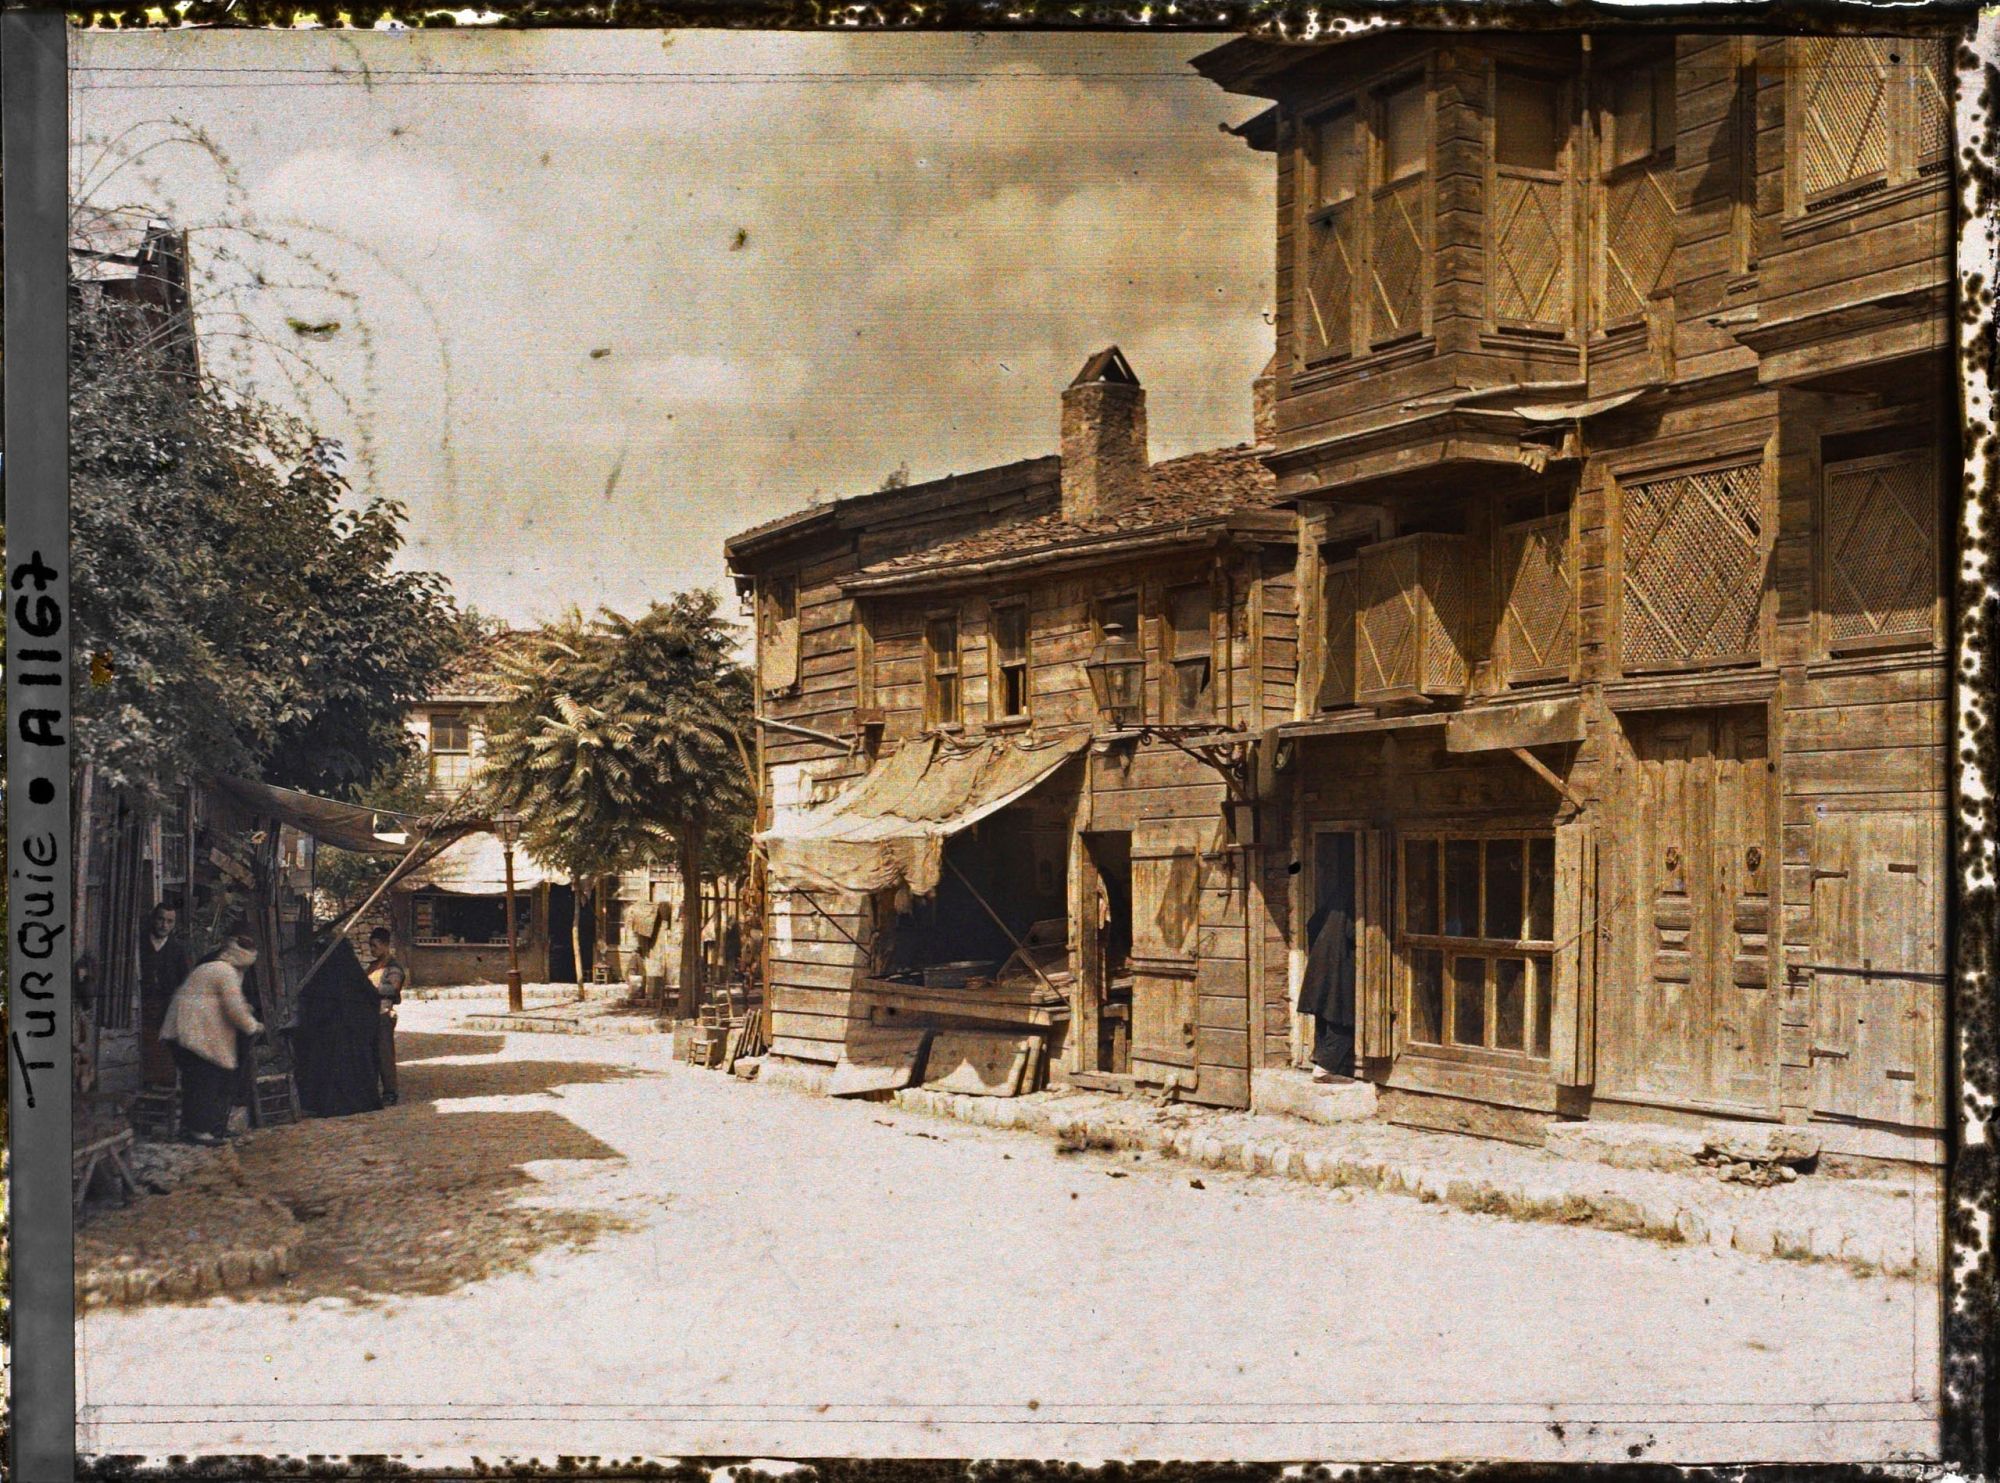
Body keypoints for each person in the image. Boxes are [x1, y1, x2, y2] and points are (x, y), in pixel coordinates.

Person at [159, 932, 263, 1145]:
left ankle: (197, 1127)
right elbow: (233, 1008)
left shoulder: (213, 967)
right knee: (205, 1080)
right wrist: (252, 1025)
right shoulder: (224, 972)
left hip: (184, 1031)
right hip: (190, 1032)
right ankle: (200, 1131)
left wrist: (245, 1011)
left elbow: (232, 1002)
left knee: (198, 1080)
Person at [293, 934, 385, 1118]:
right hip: (352, 1037)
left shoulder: (319, 980)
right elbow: (372, 999)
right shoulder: (353, 975)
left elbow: (311, 1011)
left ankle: (326, 1103)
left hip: (330, 1037)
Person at [1297, 902, 1356, 1083]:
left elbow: (1311, 924)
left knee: (1325, 1013)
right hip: (1339, 968)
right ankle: (1324, 1069)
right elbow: (1356, 935)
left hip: (1321, 965)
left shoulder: (1331, 907)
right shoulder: (1353, 910)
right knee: (1343, 1018)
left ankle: (1319, 1058)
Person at [138, 903, 191, 1088]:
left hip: (166, 1007)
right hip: (143, 1004)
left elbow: (184, 981)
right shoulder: (139, 945)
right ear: (154, 919)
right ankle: (144, 1084)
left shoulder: (177, 950)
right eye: (161, 919)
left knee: (165, 1049)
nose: (164, 925)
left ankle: (164, 1088)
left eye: (169, 921)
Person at [366, 927, 407, 1106]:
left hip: (384, 1014)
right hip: (370, 1015)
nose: (372, 950)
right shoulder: (372, 966)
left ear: (384, 945)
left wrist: (369, 990)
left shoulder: (394, 968)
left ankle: (390, 1091)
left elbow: (392, 989)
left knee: (384, 1055)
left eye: (375, 946)